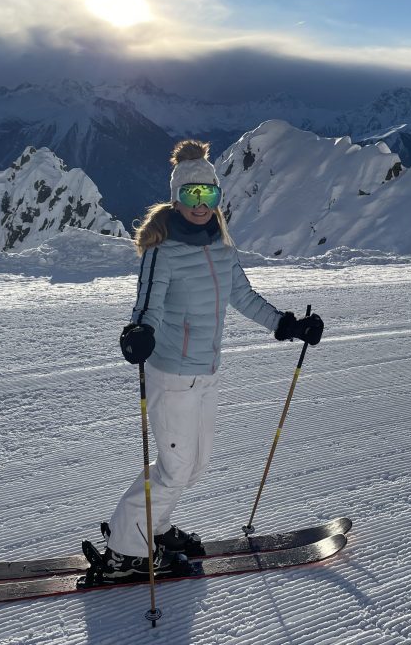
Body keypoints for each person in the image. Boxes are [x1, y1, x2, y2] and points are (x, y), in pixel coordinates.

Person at [96, 139, 324, 579]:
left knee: (193, 464)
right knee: (175, 466)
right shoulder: (162, 250)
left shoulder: (221, 246)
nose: (201, 204)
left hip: (207, 372)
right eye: (191, 193)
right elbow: (147, 307)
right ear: (176, 197)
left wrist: (288, 324)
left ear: (218, 196)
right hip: (171, 375)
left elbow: (244, 296)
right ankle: (125, 551)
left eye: (209, 193)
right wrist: (138, 333)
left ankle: (154, 529)